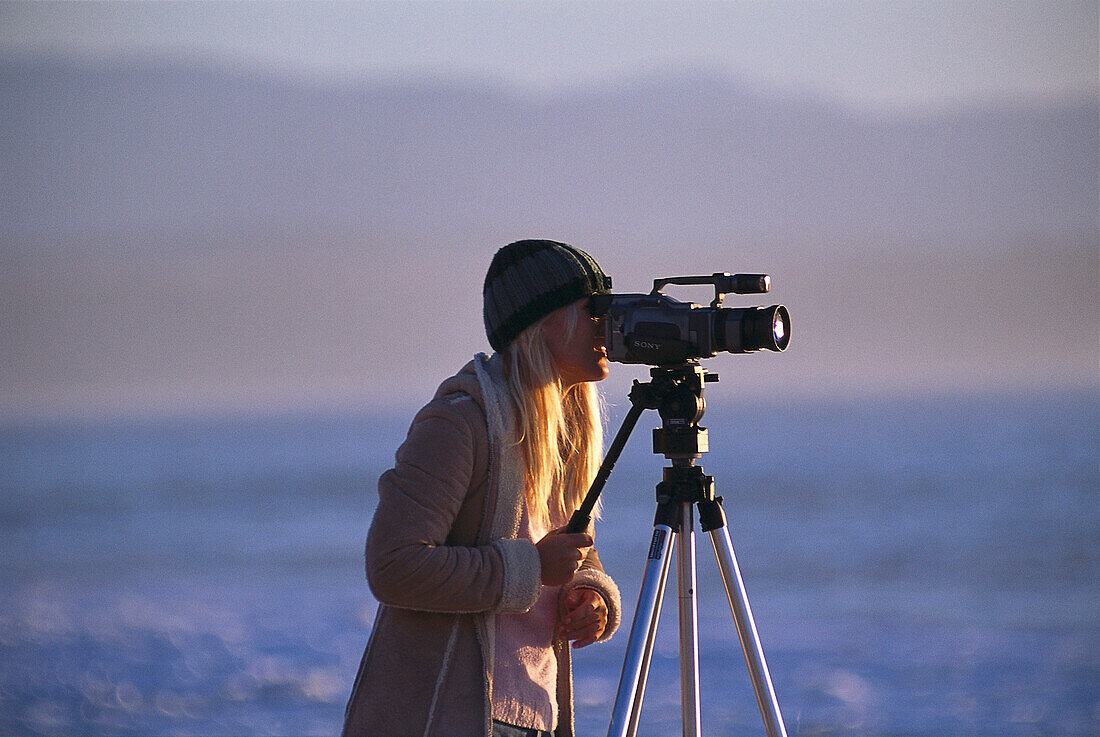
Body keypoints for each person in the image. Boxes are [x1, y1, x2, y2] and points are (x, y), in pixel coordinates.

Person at [342, 240, 623, 737]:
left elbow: (567, 550)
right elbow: (392, 565)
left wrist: (591, 595)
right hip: (442, 716)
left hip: (531, 714)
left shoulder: (567, 432)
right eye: (592, 309)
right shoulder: (459, 424)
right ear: (539, 324)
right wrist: (532, 567)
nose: (609, 325)